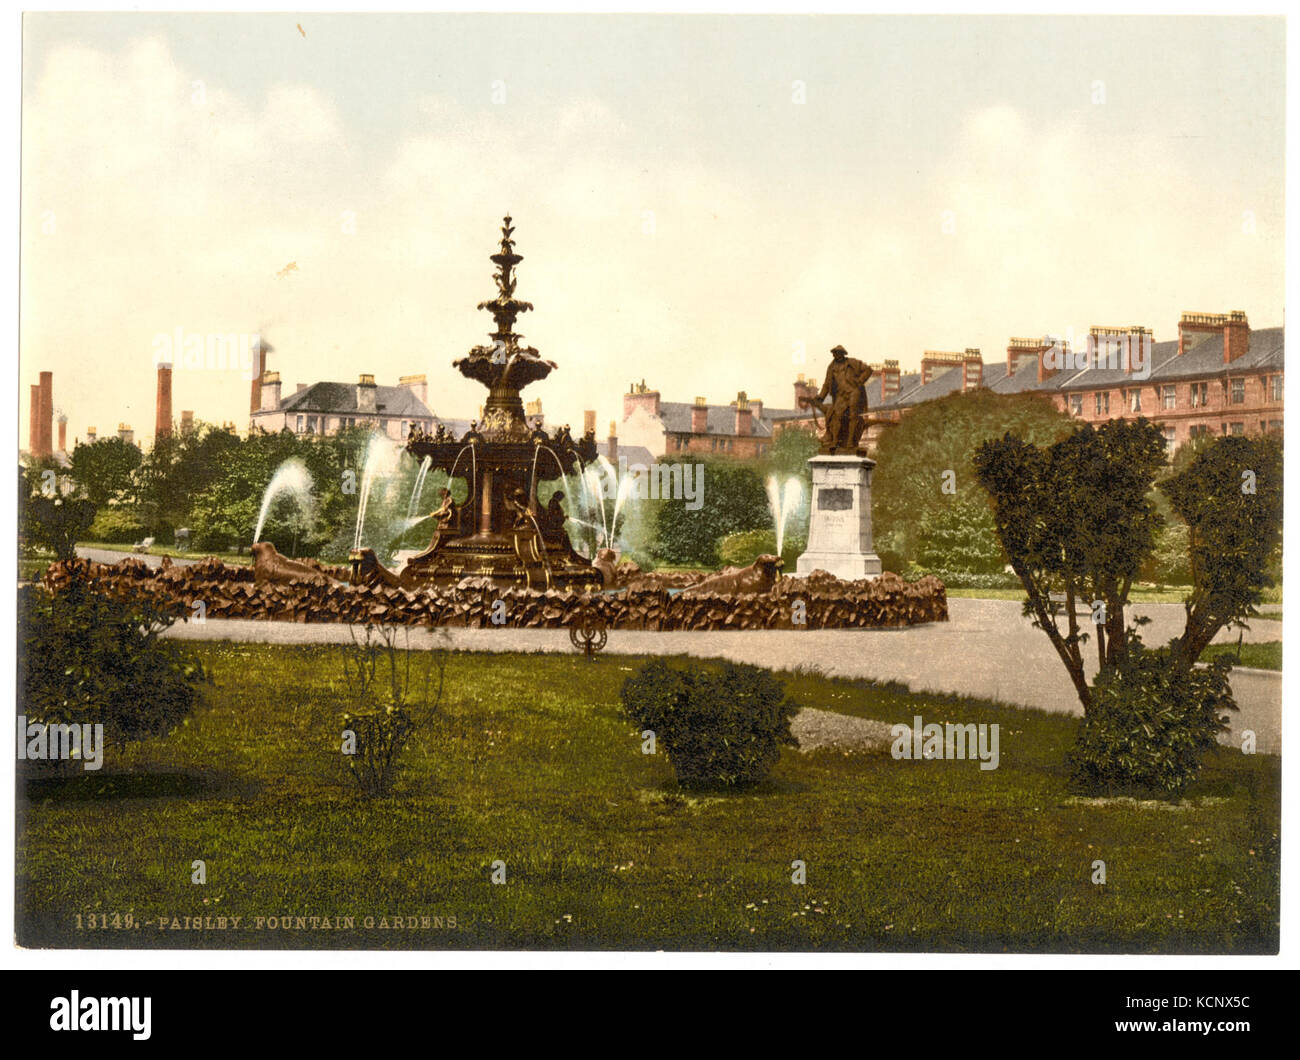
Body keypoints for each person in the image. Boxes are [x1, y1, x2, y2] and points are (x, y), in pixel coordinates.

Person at [810, 344, 873, 454]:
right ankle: (834, 441)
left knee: (853, 416)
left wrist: (859, 381)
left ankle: (850, 443)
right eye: (835, 353)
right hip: (841, 395)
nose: (836, 355)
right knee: (837, 415)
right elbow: (826, 384)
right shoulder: (831, 367)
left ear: (843, 354)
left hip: (853, 392)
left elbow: (868, 370)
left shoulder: (852, 363)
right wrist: (821, 397)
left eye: (838, 353)